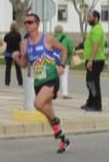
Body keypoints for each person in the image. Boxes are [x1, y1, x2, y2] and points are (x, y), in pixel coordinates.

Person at [13, 13, 71, 153]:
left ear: (37, 24)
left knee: (37, 104)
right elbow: (25, 65)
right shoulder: (24, 43)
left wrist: (62, 65)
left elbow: (64, 49)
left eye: (30, 22)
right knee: (48, 113)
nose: (27, 24)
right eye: (25, 22)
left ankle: (57, 121)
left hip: (51, 78)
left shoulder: (47, 39)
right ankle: (63, 140)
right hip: (38, 82)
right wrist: (16, 58)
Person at [82, 10, 106, 112]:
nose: (88, 19)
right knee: (90, 82)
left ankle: (97, 105)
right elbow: (89, 43)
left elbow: (96, 45)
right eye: (88, 17)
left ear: (96, 18)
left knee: (93, 83)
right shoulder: (94, 28)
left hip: (96, 60)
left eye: (90, 17)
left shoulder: (97, 29)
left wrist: (91, 60)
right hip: (93, 60)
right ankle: (90, 102)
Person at [54, 25, 75, 98]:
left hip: (54, 61)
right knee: (64, 77)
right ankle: (65, 94)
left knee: (53, 77)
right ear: (62, 31)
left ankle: (52, 93)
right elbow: (71, 50)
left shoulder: (52, 39)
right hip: (64, 61)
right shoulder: (67, 39)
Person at [2, 22, 23, 87]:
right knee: (18, 68)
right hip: (16, 53)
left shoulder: (7, 35)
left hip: (8, 53)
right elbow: (20, 42)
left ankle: (7, 82)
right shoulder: (18, 35)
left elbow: (4, 40)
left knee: (8, 68)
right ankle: (20, 82)